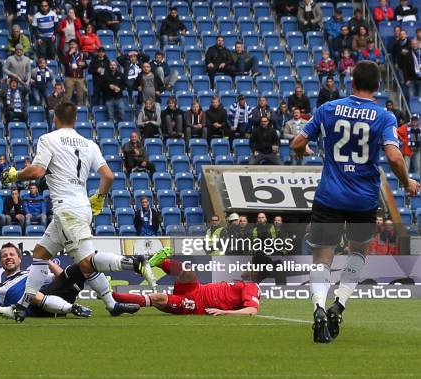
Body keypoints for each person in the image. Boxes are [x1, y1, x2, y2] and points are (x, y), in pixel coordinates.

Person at [290, 61, 421, 343]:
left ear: (351, 83)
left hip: (329, 196)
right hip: (363, 199)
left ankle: (318, 309)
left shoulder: (328, 109)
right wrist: (406, 181)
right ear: (377, 87)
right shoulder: (384, 116)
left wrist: (303, 152)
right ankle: (340, 303)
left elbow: (297, 143)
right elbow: (395, 157)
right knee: (358, 253)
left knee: (321, 258)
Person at [0, 101, 160, 321]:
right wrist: (100, 198)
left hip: (67, 210)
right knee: (40, 254)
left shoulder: (48, 139)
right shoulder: (89, 144)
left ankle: (134, 262)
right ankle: (21, 307)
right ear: (75, 119)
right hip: (80, 207)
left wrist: (14, 175)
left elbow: (37, 171)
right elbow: (109, 176)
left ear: (55, 118)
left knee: (86, 262)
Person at [0, 243, 92, 318]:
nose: (8, 257)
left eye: (12, 254)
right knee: (30, 294)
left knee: (79, 267)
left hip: (56, 297)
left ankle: (111, 302)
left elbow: (62, 277)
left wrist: (46, 261)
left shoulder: (32, 273)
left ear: (19, 259)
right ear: (1, 262)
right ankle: (72, 309)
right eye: (4, 256)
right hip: (37, 309)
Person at [113, 249, 273, 316]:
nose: (246, 265)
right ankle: (155, 262)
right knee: (188, 272)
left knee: (157, 298)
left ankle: (110, 295)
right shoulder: (244, 284)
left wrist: (225, 312)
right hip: (197, 289)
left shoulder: (252, 287)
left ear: (256, 271)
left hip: (196, 303)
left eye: (250, 264)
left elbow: (252, 310)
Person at [62, 39, 87, 105]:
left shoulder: (81, 54)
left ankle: (81, 110)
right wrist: (69, 53)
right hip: (70, 77)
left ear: (77, 45)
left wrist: (83, 64)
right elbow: (64, 62)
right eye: (70, 44)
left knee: (80, 96)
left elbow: (86, 65)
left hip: (80, 77)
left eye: (73, 44)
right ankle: (65, 109)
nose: (72, 46)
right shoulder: (67, 53)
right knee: (67, 95)